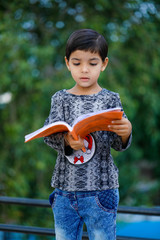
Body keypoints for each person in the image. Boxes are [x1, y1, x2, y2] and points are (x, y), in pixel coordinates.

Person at [44, 29, 132, 240]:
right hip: (65, 190)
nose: (84, 69)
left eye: (92, 63)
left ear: (104, 64)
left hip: (102, 190)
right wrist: (66, 140)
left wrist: (126, 132)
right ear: (67, 63)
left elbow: (118, 144)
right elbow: (49, 134)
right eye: (77, 63)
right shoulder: (60, 99)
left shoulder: (111, 99)